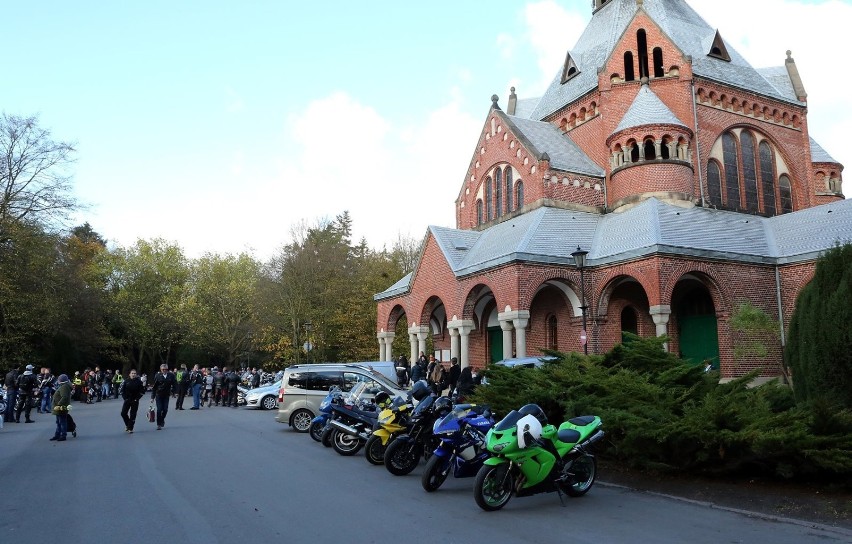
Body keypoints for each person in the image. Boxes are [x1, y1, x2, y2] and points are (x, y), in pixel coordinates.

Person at [150, 364, 176, 430]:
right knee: (159, 409)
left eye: (166, 369)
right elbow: (154, 387)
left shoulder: (171, 375)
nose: (164, 370)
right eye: (163, 369)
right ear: (160, 369)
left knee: (165, 409)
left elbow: (174, 384)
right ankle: (159, 424)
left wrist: (174, 392)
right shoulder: (158, 376)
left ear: (167, 369)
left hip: (166, 395)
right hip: (158, 395)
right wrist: (152, 397)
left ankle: (162, 419)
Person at [50, 374, 72, 441]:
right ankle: (58, 434)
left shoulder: (64, 387)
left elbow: (64, 397)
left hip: (61, 407)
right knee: (59, 421)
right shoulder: (64, 386)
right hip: (61, 406)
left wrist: (59, 405)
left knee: (62, 421)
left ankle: (63, 435)